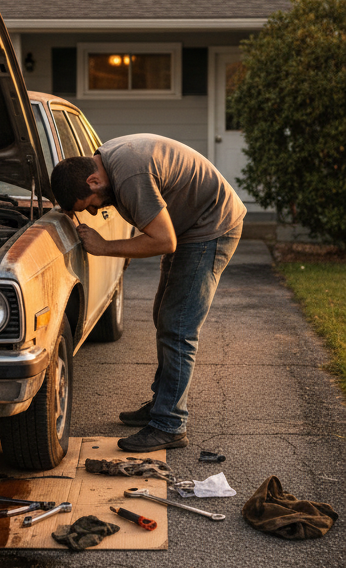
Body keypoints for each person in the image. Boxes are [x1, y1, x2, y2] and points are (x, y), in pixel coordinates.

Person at [50, 134, 245, 454]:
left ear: (93, 179)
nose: (97, 210)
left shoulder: (129, 178)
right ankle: (162, 403)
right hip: (188, 226)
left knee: (178, 325)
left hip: (210, 227)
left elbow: (164, 241)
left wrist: (105, 247)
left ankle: (170, 423)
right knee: (163, 315)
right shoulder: (107, 163)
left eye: (92, 204)